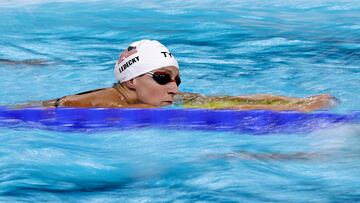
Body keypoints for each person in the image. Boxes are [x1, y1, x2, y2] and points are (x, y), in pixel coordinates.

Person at [42, 39, 336, 112]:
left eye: (176, 79)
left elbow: (223, 101)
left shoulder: (153, 98)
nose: (173, 88)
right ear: (131, 80)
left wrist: (297, 102)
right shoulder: (106, 102)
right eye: (162, 77)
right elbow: (58, 106)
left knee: (206, 100)